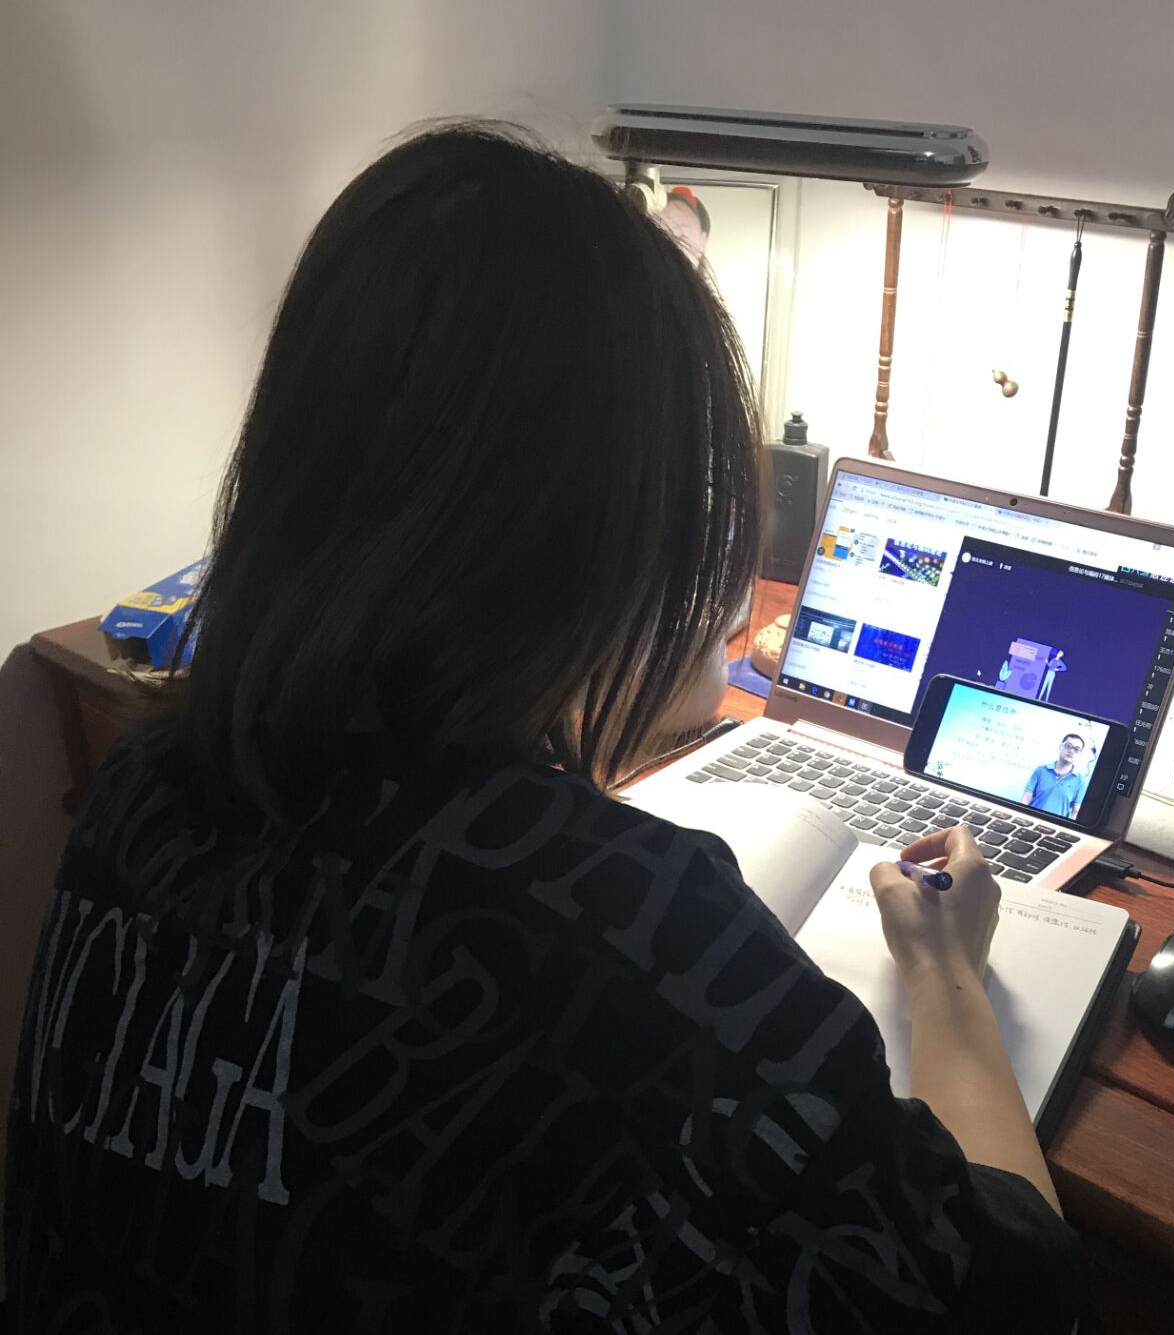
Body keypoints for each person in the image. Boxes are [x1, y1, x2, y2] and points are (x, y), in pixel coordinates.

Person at [6, 122, 1081, 1333]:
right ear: (608, 532)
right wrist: (944, 976)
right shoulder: (628, 919)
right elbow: (1015, 1295)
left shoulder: (144, 785)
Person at [1022, 733, 1089, 819]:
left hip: (1056, 824)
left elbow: (1075, 811)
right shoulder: (1041, 770)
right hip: (1031, 819)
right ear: (1060, 747)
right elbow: (1026, 798)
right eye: (1068, 746)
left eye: (1076, 749)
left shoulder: (1081, 780)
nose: (1071, 751)